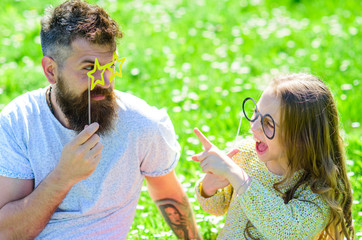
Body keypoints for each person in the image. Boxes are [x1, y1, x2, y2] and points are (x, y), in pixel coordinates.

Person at [0, 0, 201, 239]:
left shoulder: (142, 124)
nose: (104, 82)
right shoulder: (19, 122)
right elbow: (7, 232)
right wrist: (62, 177)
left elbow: (169, 195)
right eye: (88, 68)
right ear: (51, 71)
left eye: (110, 66)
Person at [192, 73, 354, 239]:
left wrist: (238, 178)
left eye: (268, 123)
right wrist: (209, 187)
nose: (254, 127)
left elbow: (287, 230)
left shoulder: (319, 186)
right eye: (255, 112)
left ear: (301, 138)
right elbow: (217, 207)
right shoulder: (245, 154)